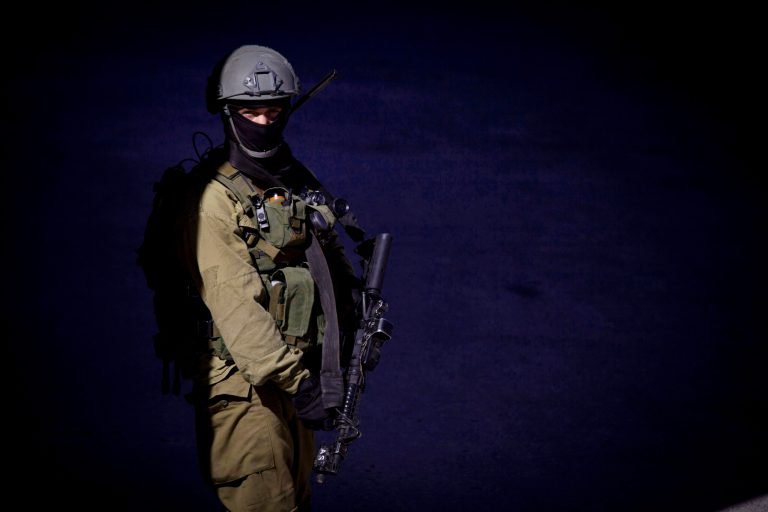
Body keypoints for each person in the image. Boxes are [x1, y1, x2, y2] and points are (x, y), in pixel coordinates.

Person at [169, 44, 361, 512]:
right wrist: (300, 385)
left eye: (273, 110)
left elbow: (324, 263)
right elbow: (236, 309)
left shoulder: (285, 182)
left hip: (292, 383)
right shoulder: (213, 199)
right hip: (247, 392)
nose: (263, 121)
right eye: (250, 111)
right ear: (228, 112)